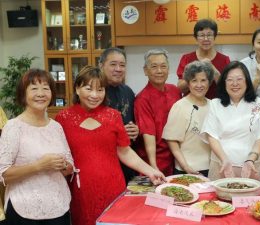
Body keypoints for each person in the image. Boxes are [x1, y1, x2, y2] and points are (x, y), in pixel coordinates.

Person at [55, 66, 165, 225]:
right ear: (77, 89)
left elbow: (125, 151)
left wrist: (151, 171)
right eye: (88, 88)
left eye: (100, 90)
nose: (95, 95)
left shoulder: (113, 116)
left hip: (112, 185)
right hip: (81, 190)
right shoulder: (63, 118)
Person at [0, 69, 74, 224]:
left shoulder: (56, 127)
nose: (41, 93)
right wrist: (39, 165)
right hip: (23, 209)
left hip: (58, 206)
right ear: (23, 94)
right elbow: (3, 174)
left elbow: (69, 168)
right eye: (34, 88)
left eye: (46, 88)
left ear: (52, 93)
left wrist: (65, 166)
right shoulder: (13, 127)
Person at [201, 61, 260, 181]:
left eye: (239, 79)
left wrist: (251, 158)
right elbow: (211, 135)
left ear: (247, 81)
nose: (235, 83)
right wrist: (224, 159)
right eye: (229, 79)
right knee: (218, 199)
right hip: (221, 166)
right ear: (224, 83)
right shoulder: (215, 104)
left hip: (252, 166)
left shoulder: (259, 103)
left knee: (251, 199)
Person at [135, 49, 182, 176]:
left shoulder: (175, 91)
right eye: (154, 67)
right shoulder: (142, 99)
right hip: (155, 160)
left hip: (177, 157)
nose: (159, 71)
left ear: (168, 68)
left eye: (163, 66)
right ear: (146, 70)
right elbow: (148, 134)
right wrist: (153, 166)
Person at [163, 61, 214, 177]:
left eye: (203, 80)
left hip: (212, 168)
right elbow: (172, 141)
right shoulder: (180, 106)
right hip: (186, 169)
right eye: (194, 81)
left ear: (209, 82)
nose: (199, 85)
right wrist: (185, 166)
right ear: (188, 83)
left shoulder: (214, 105)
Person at [99, 47, 139, 184]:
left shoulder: (128, 91)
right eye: (113, 64)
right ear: (101, 65)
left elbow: (132, 122)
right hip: (104, 161)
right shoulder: (95, 93)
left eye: (122, 65)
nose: (118, 69)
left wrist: (136, 130)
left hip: (127, 160)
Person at [176, 18, 230, 99]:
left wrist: (213, 70)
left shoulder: (225, 60)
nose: (206, 39)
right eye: (201, 35)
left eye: (209, 35)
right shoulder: (186, 58)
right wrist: (195, 73)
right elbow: (180, 88)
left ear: (215, 36)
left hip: (216, 107)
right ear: (196, 38)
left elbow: (229, 88)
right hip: (192, 107)